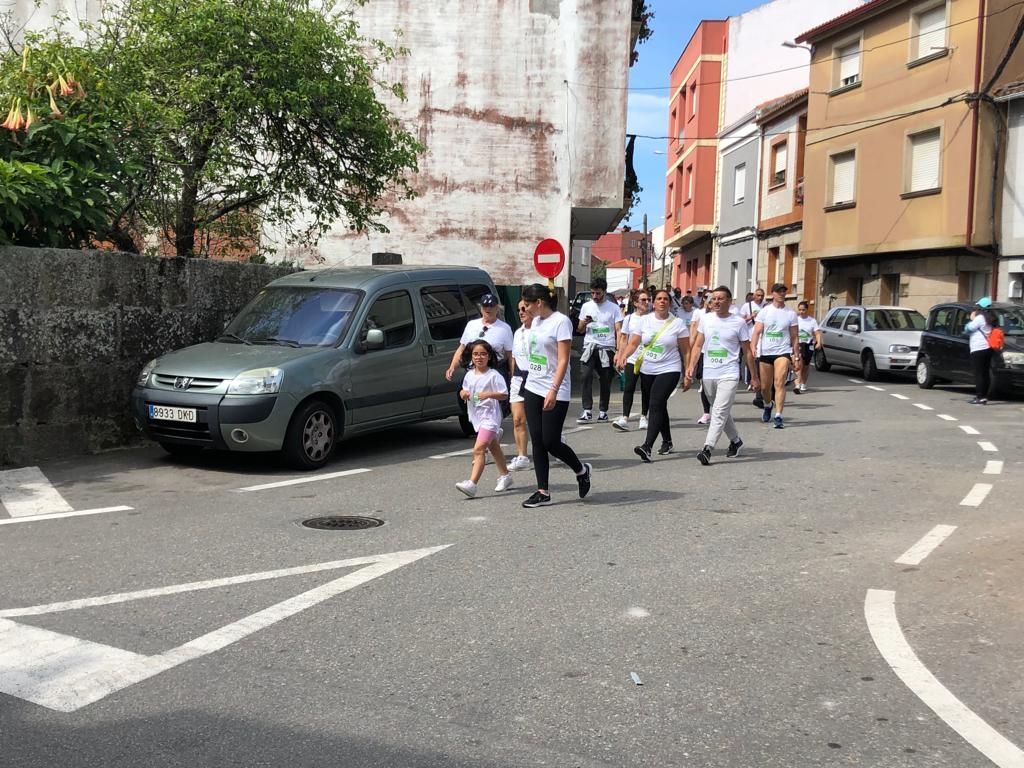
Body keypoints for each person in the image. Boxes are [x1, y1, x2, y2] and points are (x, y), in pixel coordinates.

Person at [520, 283, 592, 508]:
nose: (524, 309)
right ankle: (543, 491)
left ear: (539, 302)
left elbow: (562, 360)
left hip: (555, 389)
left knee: (551, 440)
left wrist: (553, 389)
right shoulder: (536, 322)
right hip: (533, 386)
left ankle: (581, 470)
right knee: (538, 440)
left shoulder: (561, 322)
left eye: (528, 304)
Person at [685, 286, 760, 465]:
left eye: (720, 298)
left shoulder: (739, 322)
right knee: (721, 410)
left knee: (718, 412)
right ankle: (736, 441)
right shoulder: (706, 319)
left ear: (729, 301)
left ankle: (707, 448)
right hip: (709, 372)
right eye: (714, 299)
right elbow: (697, 345)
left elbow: (747, 351)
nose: (716, 302)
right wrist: (691, 366)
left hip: (729, 372)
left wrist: (754, 376)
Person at [620, 289, 690, 461]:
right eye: (658, 298)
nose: (662, 301)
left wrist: (689, 372)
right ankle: (667, 441)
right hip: (647, 368)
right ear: (653, 302)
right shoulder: (644, 321)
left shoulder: (678, 324)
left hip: (670, 368)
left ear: (670, 303)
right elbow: (634, 342)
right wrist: (623, 356)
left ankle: (647, 446)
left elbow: (686, 350)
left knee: (656, 402)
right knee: (659, 405)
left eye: (665, 299)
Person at [455, 340, 513, 497]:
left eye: (482, 354)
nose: (479, 357)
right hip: (476, 416)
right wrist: (463, 394)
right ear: (471, 357)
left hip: (490, 418)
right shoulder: (469, 375)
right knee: (494, 447)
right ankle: (506, 476)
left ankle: (472, 484)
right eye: (475, 354)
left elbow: (504, 394)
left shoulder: (494, 375)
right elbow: (464, 390)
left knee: (479, 449)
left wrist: (487, 394)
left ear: (489, 356)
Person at [749, 282, 800, 429]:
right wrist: (753, 346)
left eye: (784, 291)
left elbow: (795, 336)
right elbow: (757, 331)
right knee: (765, 387)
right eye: (779, 292)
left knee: (779, 382)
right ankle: (767, 405)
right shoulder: (765, 311)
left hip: (782, 352)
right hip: (766, 352)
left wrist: (796, 356)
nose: (782, 294)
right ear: (773, 294)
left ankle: (778, 415)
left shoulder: (791, 314)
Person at [576, 277, 623, 423]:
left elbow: (619, 330)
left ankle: (603, 411)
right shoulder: (586, 306)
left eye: (598, 293)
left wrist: (619, 351)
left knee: (605, 380)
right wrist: (584, 322)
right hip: (589, 346)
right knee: (585, 376)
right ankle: (587, 410)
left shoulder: (613, 308)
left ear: (604, 292)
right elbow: (580, 329)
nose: (595, 296)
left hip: (607, 347)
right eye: (593, 293)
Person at [445, 293, 514, 382]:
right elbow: (461, 349)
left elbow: (510, 355)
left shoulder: (505, 328)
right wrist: (452, 367)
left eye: (491, 306)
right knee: (471, 395)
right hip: (473, 372)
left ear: (497, 308)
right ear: (480, 308)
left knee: (492, 396)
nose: (488, 309)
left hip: (495, 372)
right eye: (485, 306)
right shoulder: (471, 325)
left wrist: (513, 377)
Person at [612, 289, 651, 431]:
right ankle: (624, 418)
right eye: (643, 300)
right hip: (632, 358)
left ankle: (644, 417)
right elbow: (624, 339)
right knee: (628, 387)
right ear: (635, 303)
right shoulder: (629, 318)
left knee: (646, 389)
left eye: (648, 300)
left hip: (648, 359)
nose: (647, 302)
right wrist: (621, 355)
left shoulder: (652, 318)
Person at [507, 300, 534, 470]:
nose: (521, 312)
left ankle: (557, 438)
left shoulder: (541, 330)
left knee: (540, 420)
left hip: (537, 377)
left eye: (524, 308)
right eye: (518, 310)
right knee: (518, 420)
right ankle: (522, 456)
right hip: (519, 377)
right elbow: (514, 358)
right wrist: (512, 376)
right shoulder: (517, 332)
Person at [965, 298, 999, 405]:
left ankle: (979, 396)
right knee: (985, 373)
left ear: (980, 308)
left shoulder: (980, 318)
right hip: (988, 348)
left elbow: (968, 329)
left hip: (978, 348)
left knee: (979, 373)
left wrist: (971, 319)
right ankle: (984, 396)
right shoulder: (992, 318)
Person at [794, 301, 822, 394]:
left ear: (807, 310)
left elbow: (817, 333)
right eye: (800, 310)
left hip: (808, 344)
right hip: (798, 344)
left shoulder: (812, 321)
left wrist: (818, 342)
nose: (802, 311)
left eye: (803, 310)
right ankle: (797, 384)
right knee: (799, 363)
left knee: (805, 366)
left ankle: (803, 383)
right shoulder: (796, 320)